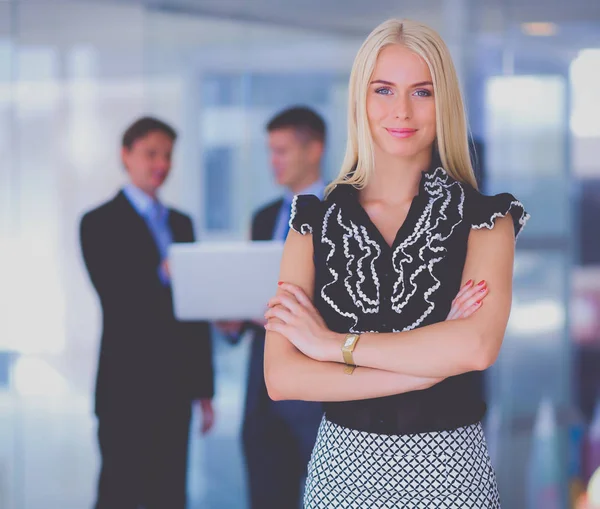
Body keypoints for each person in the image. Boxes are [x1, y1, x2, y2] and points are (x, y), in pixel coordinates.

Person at [263, 19, 530, 508]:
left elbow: (473, 347)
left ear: (443, 100)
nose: (401, 110)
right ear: (360, 101)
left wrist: (328, 345)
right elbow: (282, 377)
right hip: (342, 474)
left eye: (422, 91)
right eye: (383, 89)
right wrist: (423, 368)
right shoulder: (313, 222)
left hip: (451, 476)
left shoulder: (488, 220)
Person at [80, 116, 215, 509]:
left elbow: (194, 313)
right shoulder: (97, 222)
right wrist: (164, 271)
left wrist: (204, 390)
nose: (161, 164)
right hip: (125, 388)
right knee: (119, 492)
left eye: (168, 156)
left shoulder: (181, 223)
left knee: (171, 495)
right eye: (151, 154)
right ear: (126, 155)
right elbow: (115, 296)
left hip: (174, 388)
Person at [220, 107, 327, 508]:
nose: (273, 162)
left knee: (325, 491)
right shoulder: (264, 217)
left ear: (314, 149)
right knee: (265, 492)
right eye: (270, 151)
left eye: (282, 151)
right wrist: (233, 317)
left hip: (315, 383)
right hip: (261, 384)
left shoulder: (343, 212)